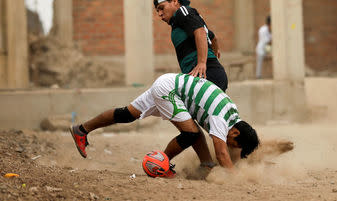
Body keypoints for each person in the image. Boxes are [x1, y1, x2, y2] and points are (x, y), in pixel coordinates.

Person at [69, 73, 260, 176]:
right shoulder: (221, 120)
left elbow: (222, 149)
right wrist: (236, 179)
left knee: (127, 114)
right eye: (234, 144)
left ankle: (81, 129)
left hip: (169, 82)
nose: (230, 146)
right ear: (234, 133)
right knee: (191, 133)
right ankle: (161, 164)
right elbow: (222, 153)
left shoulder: (233, 115)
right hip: (169, 90)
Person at [154, 0, 228, 92]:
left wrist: (203, 62)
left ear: (175, 1)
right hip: (206, 73)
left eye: (162, 8)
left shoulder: (182, 11)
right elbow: (213, 38)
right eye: (157, 11)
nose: (160, 14)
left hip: (206, 74)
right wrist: (214, 56)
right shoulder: (180, 22)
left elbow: (200, 31)